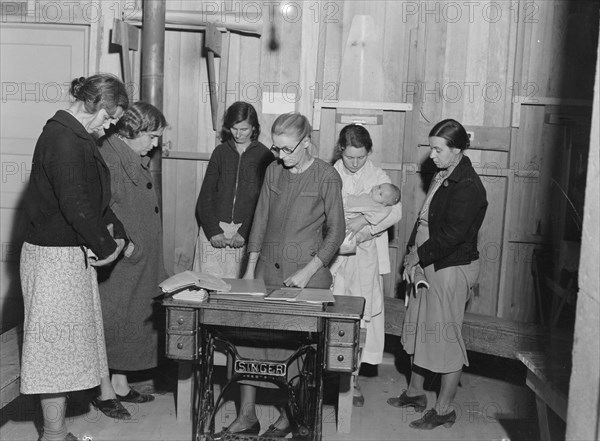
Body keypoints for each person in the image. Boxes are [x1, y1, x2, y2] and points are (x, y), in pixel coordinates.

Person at [216, 112, 345, 438]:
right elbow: (260, 221)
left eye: (288, 149)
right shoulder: (274, 170)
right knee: (246, 340)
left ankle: (292, 417)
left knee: (297, 352)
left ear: (306, 143)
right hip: (266, 271)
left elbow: (336, 232)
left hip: (305, 275)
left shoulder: (326, 175)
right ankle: (247, 416)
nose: (281, 156)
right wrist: (248, 270)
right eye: (277, 149)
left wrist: (309, 270)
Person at [20, 74, 129, 441]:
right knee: (54, 352)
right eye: (109, 117)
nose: (110, 125)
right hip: (54, 260)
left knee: (63, 350)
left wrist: (117, 235)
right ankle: (52, 435)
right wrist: (107, 247)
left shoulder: (74, 135)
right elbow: (77, 206)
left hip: (65, 257)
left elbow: (91, 200)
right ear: (94, 106)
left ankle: (56, 431)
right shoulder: (65, 138)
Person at [387, 119, 488, 430]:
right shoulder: (444, 173)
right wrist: (411, 258)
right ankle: (416, 392)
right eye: (431, 148)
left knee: (445, 338)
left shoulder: (468, 185)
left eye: (437, 149)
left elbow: (452, 236)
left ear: (456, 150)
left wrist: (417, 255)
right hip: (428, 263)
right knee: (420, 328)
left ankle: (444, 408)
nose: (431, 155)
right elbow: (423, 221)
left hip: (450, 267)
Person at [91, 102, 169, 419]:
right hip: (121, 263)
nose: (155, 144)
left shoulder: (131, 155)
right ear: (131, 131)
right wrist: (126, 248)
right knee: (111, 323)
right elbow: (99, 213)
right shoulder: (108, 158)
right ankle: (102, 390)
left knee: (132, 321)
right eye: (151, 137)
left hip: (139, 263)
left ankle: (120, 384)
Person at [329, 124, 403, 407]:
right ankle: (330, 375)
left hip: (364, 256)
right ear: (340, 151)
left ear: (368, 152)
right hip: (335, 255)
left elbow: (395, 209)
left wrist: (365, 223)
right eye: (350, 157)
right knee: (332, 310)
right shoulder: (331, 172)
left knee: (360, 316)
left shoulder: (378, 176)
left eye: (360, 157)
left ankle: (352, 380)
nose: (355, 163)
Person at [195, 101, 274, 278]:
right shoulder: (220, 152)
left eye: (244, 129)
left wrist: (244, 232)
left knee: (236, 287)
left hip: (244, 231)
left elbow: (264, 201)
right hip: (214, 229)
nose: (238, 134)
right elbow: (205, 196)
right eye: (234, 128)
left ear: (254, 128)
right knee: (206, 284)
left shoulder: (265, 156)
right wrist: (213, 231)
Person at [340, 182, 401, 253]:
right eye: (379, 187)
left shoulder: (382, 208)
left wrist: (364, 219)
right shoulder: (368, 196)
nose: (376, 190)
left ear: (385, 204)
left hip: (354, 234)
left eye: (380, 194)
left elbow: (393, 212)